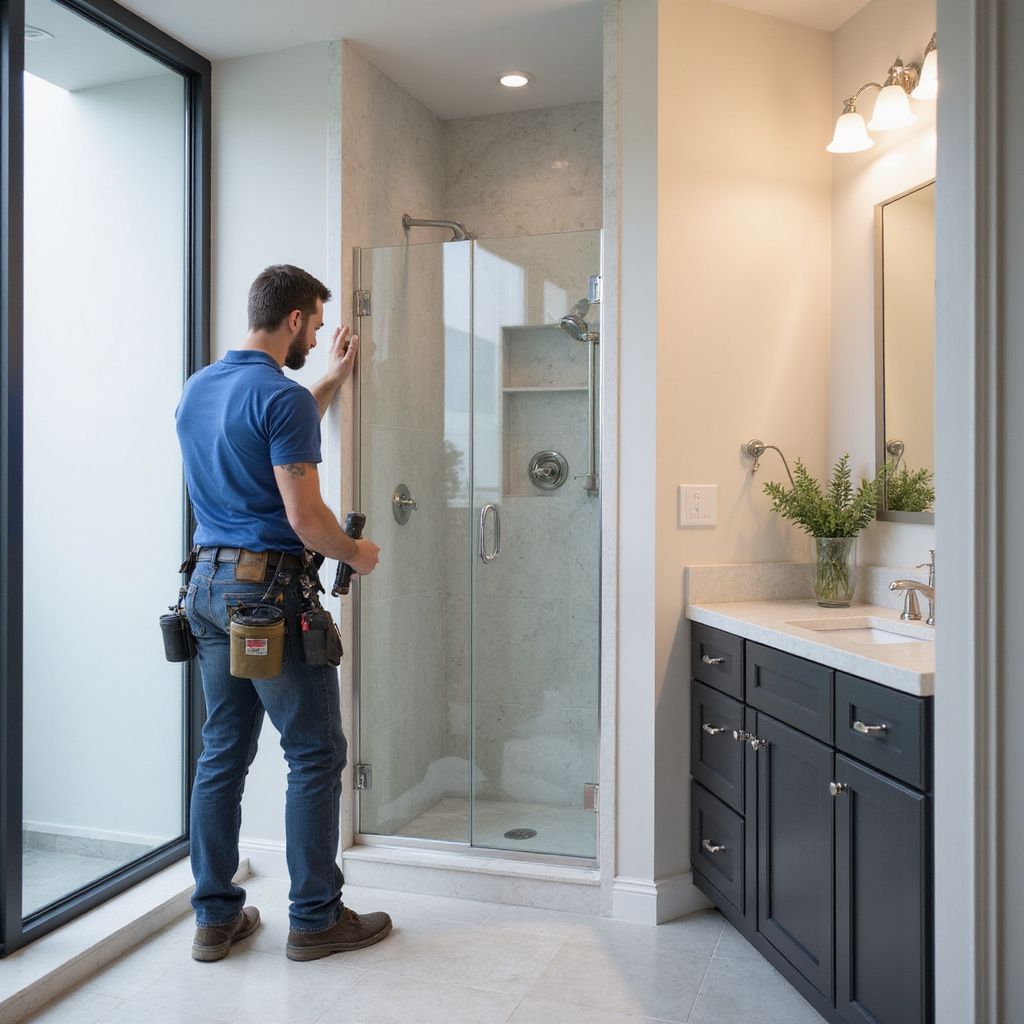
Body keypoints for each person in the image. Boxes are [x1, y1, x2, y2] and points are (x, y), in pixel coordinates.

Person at [175, 264, 391, 963]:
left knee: (222, 754)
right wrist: (356, 551)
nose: (320, 334)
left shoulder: (200, 388)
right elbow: (305, 520)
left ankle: (214, 918)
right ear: (295, 319)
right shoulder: (282, 399)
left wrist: (324, 382)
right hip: (267, 598)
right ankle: (316, 918)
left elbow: (262, 437)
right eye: (318, 322)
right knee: (315, 753)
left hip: (204, 589)